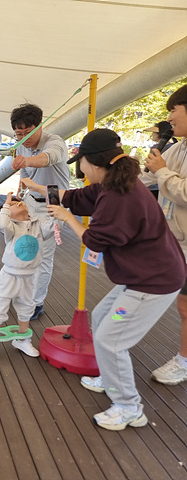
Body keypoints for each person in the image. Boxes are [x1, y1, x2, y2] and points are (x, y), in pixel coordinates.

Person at [31, 128, 185, 431]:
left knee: (110, 340)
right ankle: (110, 377)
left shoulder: (119, 197)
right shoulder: (111, 182)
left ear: (93, 161)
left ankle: (128, 407)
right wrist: (36, 187)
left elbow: (95, 241)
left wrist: (68, 219)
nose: (80, 167)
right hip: (140, 276)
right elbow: (75, 197)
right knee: (102, 316)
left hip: (153, 282)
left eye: (81, 161)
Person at [140, 84, 187, 385]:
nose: (168, 118)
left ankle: (183, 362)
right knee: (182, 306)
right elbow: (146, 178)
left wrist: (162, 171)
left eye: (174, 110)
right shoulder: (178, 147)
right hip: (172, 241)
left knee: (182, 306)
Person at [11, 104, 69, 320]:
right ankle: (24, 295)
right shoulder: (21, 146)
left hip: (53, 202)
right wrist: (20, 198)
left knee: (43, 256)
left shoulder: (55, 142)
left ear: (40, 126)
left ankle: (36, 303)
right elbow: (25, 175)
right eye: (19, 134)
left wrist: (26, 160)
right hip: (31, 202)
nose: (23, 138)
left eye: (27, 132)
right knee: (25, 251)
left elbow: (49, 158)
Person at [0, 192, 54, 362]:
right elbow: (2, 223)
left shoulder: (38, 224)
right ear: (9, 215)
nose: (18, 203)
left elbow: (53, 227)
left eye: (18, 202)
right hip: (9, 275)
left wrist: (55, 209)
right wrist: (6, 203)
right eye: (13, 205)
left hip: (30, 276)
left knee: (27, 307)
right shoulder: (11, 228)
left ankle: (22, 339)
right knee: (0, 305)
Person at [142, 120, 178, 200]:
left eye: (154, 132)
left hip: (155, 185)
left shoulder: (157, 148)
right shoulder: (174, 146)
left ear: (160, 133)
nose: (152, 134)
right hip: (163, 185)